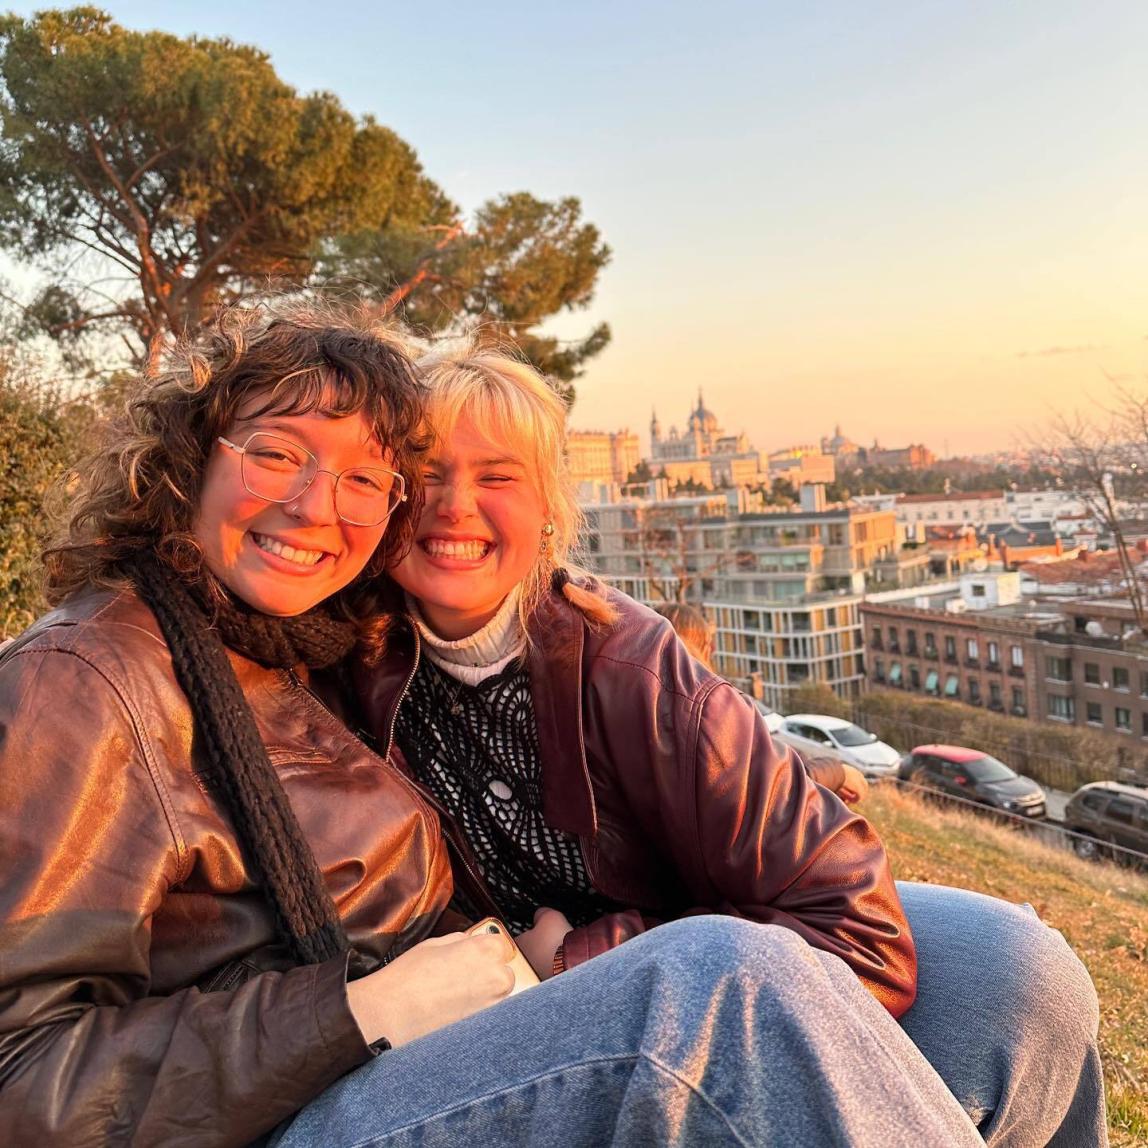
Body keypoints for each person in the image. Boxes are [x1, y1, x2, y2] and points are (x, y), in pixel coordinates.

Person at [0, 304, 989, 1148]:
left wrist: (770, 774)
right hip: (321, 1094)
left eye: (360, 478)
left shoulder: (310, 637)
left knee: (998, 969)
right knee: (720, 982)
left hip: (466, 1005)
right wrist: (362, 1009)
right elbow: (20, 1069)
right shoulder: (88, 675)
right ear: (185, 463)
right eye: (275, 453)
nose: (314, 507)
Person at [356, 341, 1108, 1148]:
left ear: (548, 509)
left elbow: (861, 937)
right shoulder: (351, 653)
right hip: (538, 1003)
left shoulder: (639, 675)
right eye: (425, 473)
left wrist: (583, 958)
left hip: (672, 963)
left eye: (496, 476)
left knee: (1024, 975)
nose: (452, 505)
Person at [653, 600, 869, 803]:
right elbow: (770, 785)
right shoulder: (708, 709)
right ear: (705, 648)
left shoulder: (640, 708)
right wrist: (837, 773)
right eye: (710, 644)